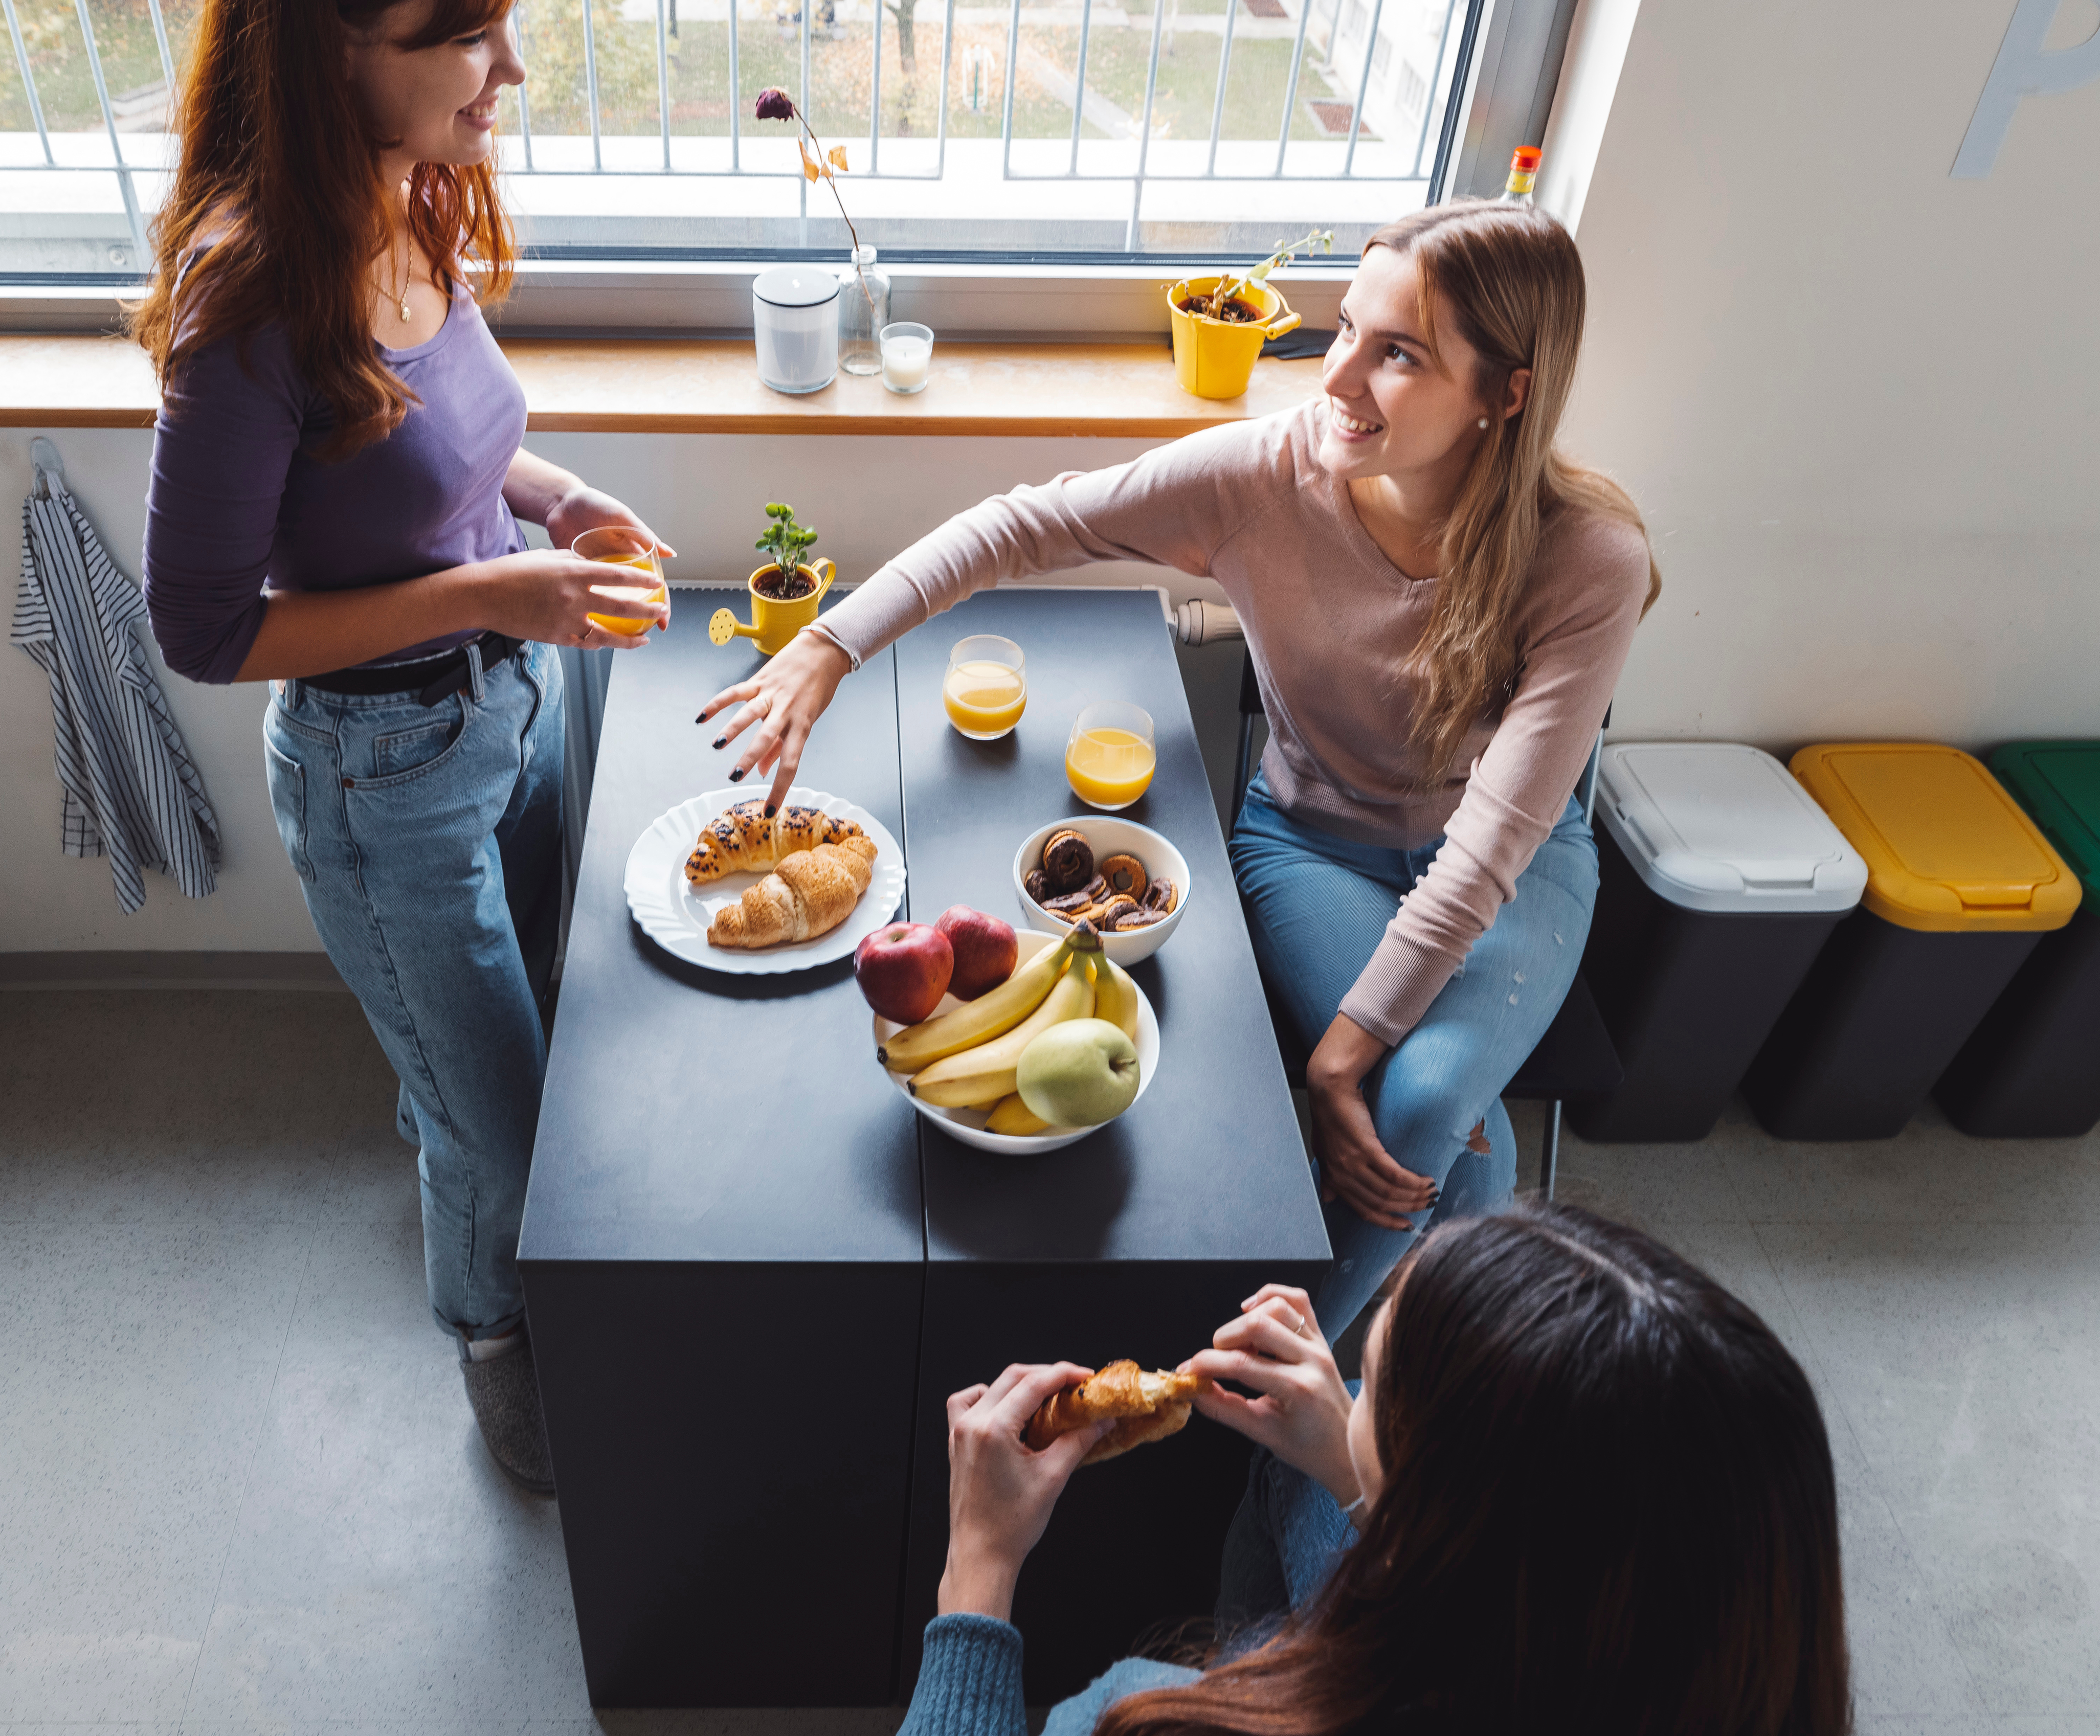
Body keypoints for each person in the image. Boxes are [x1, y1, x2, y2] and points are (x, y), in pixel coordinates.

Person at [701, 201, 1660, 1342]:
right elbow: (1021, 525)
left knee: (1429, 1108)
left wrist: (1338, 1059)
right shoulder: (1264, 475)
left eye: (1397, 353)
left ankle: (1263, 1395)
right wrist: (829, 641)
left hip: (1516, 871)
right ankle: (1348, 1407)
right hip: (1313, 844)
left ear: (1507, 392)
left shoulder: (1588, 559)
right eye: (1343, 328)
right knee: (1464, 1152)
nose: (1337, 378)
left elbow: (1497, 839)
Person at [133, 0, 671, 1495]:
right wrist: (494, 596)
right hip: (385, 777)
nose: (507, 71)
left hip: (509, 703)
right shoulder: (247, 300)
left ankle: (437, 1099)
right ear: (333, 46)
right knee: (498, 1140)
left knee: (517, 1052)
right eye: (466, 38)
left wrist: (562, 505)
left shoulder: (406, 190)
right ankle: (505, 1376)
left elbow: (444, 443)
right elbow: (203, 628)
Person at [901, 1203, 1852, 1735]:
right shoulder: (1741, 1654)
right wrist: (1348, 1457)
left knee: (1109, 1697)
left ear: (1461, 1536)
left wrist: (976, 1574)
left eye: (1374, 1393)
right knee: (1292, 1469)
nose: (1349, 1393)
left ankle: (1264, 1685)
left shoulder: (1142, 1725)